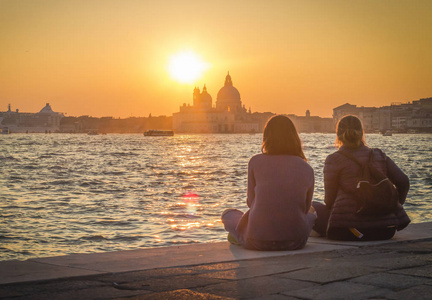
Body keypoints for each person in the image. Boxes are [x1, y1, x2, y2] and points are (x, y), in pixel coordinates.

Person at [221, 115, 316, 251]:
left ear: (266, 137)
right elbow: (306, 208)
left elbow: (251, 202)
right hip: (296, 241)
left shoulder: (255, 162)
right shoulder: (307, 168)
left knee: (228, 214)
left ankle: (239, 234)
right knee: (313, 210)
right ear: (294, 137)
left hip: (257, 241)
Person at [312, 115, 410, 241]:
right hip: (386, 230)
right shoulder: (379, 154)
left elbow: (329, 200)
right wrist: (391, 206)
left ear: (338, 134)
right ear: (362, 132)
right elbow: (403, 181)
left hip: (350, 231)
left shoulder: (334, 159)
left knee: (313, 206)